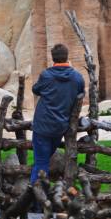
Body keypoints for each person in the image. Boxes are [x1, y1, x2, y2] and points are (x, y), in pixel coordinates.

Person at [30, 43, 85, 183]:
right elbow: (80, 94)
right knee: (43, 161)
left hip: (42, 126)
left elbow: (35, 89)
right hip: (60, 126)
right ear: (67, 57)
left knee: (41, 164)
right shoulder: (77, 78)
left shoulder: (46, 75)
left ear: (53, 58)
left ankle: (36, 201)